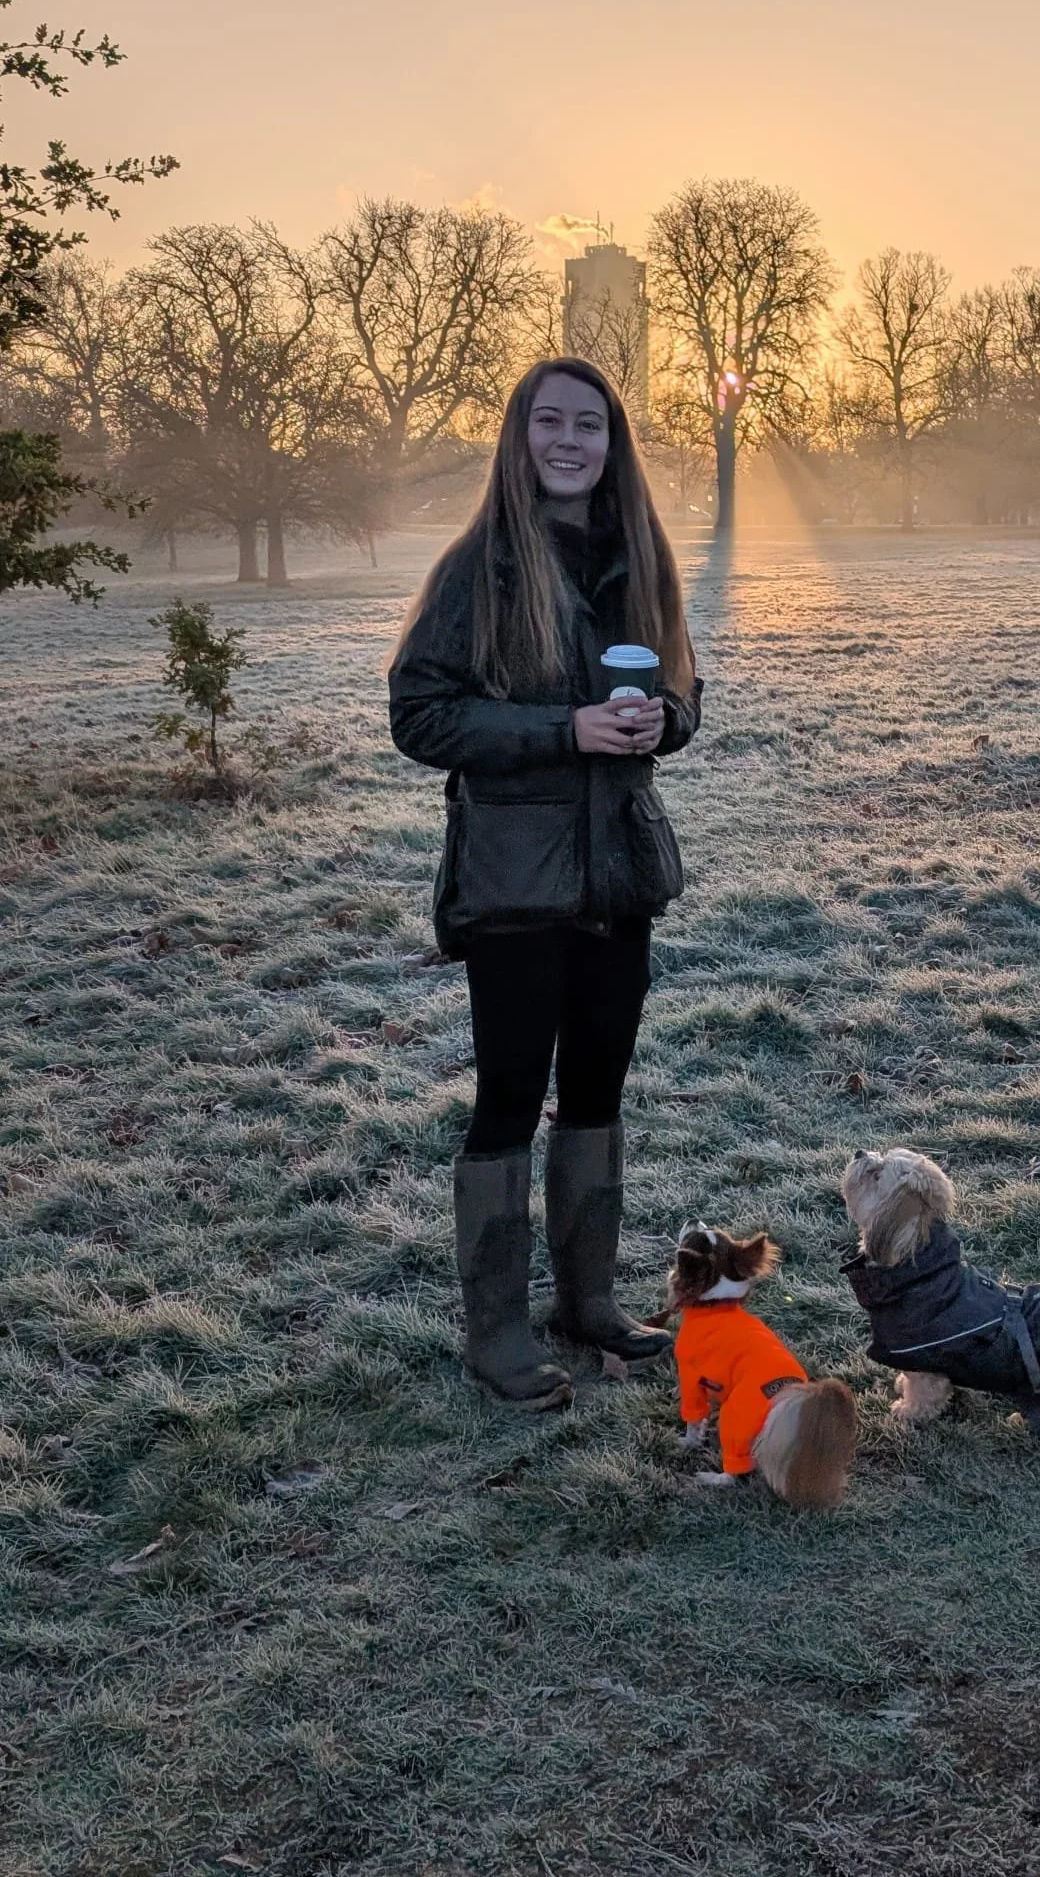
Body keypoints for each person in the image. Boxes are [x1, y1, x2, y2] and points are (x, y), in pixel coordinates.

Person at [389, 358, 701, 1408]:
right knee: (511, 1096)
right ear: (518, 438)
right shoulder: (479, 568)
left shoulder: (639, 557)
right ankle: (497, 1332)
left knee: (600, 1090)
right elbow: (420, 714)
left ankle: (587, 1302)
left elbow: (685, 691)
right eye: (551, 423)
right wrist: (562, 730)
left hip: (620, 874)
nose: (572, 442)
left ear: (614, 447)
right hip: (515, 886)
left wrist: (666, 721)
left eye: (593, 427)